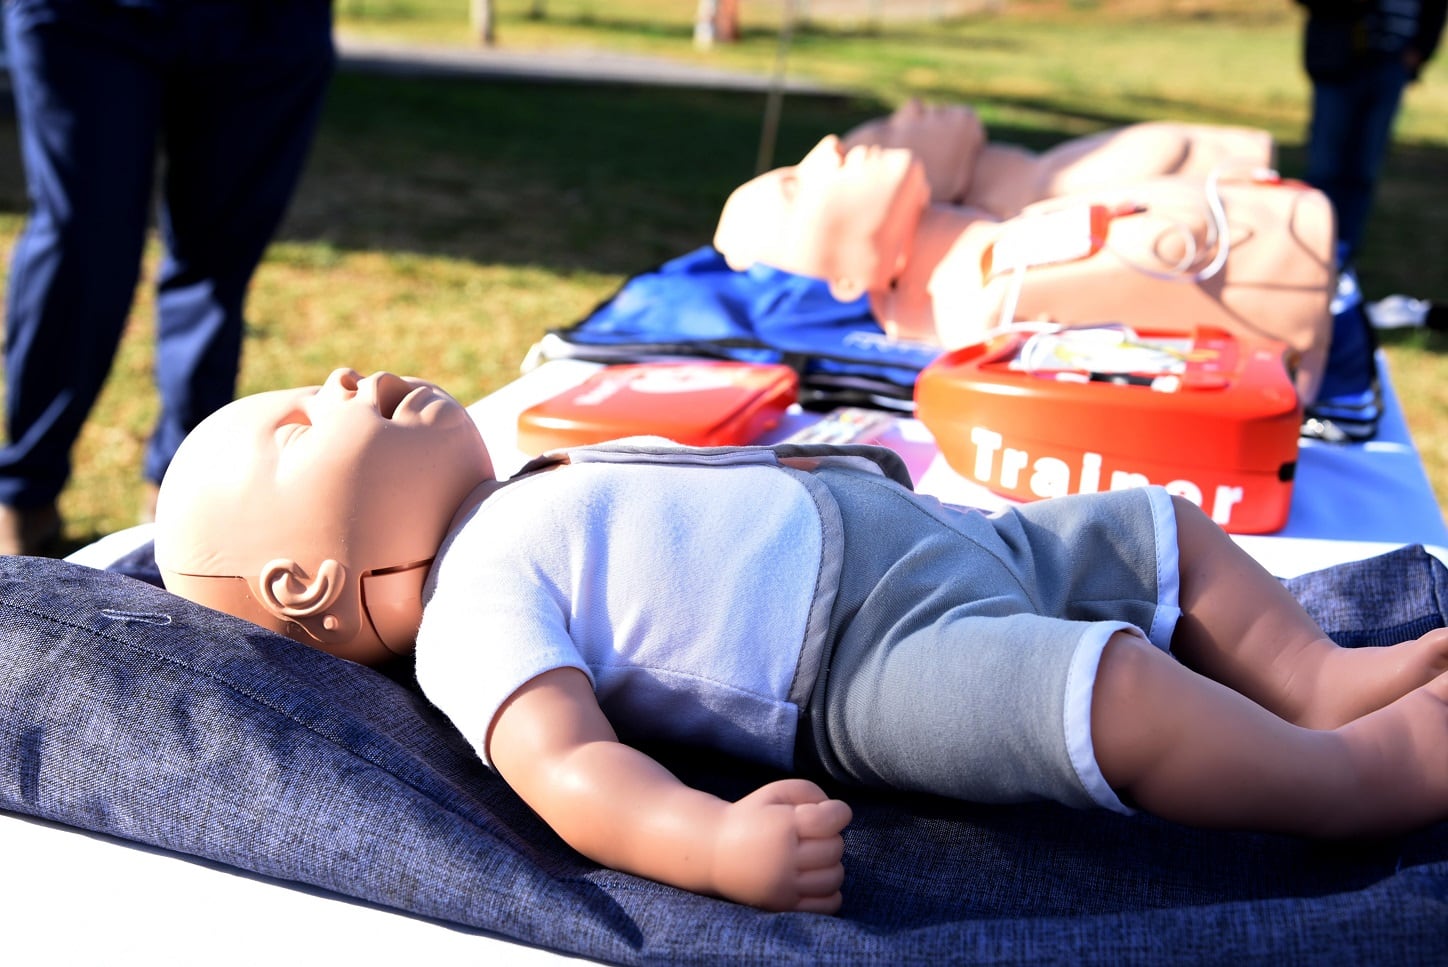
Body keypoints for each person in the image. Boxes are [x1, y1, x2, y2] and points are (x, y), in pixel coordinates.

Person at [154, 367, 1448, 914]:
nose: (333, 383)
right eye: (291, 425)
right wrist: (711, 840)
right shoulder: (469, 612)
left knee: (1159, 529)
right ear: (306, 583)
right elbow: (570, 768)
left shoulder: (527, 484)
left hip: (931, 537)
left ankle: (1319, 677)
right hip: (864, 654)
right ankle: (1345, 781)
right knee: (1107, 692)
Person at [0, 0, 336, 555]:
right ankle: (24, 492)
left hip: (266, 23)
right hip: (85, 17)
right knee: (83, 247)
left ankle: (182, 495)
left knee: (217, 263)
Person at [713, 135, 1336, 402]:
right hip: (1291, 266)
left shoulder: (995, 266)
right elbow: (1184, 249)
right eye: (797, 186)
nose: (829, 149)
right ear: (848, 280)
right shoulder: (999, 294)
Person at [840, 99, 1278, 219]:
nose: (912, 107)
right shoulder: (1047, 191)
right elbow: (1162, 153)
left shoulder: (1042, 177)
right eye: (888, 130)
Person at [1297, 0, 1447, 264]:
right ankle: (1311, 247)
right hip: (1337, 57)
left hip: (1392, 61)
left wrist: (1422, 49)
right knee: (1325, 167)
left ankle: (1345, 254)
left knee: (1364, 168)